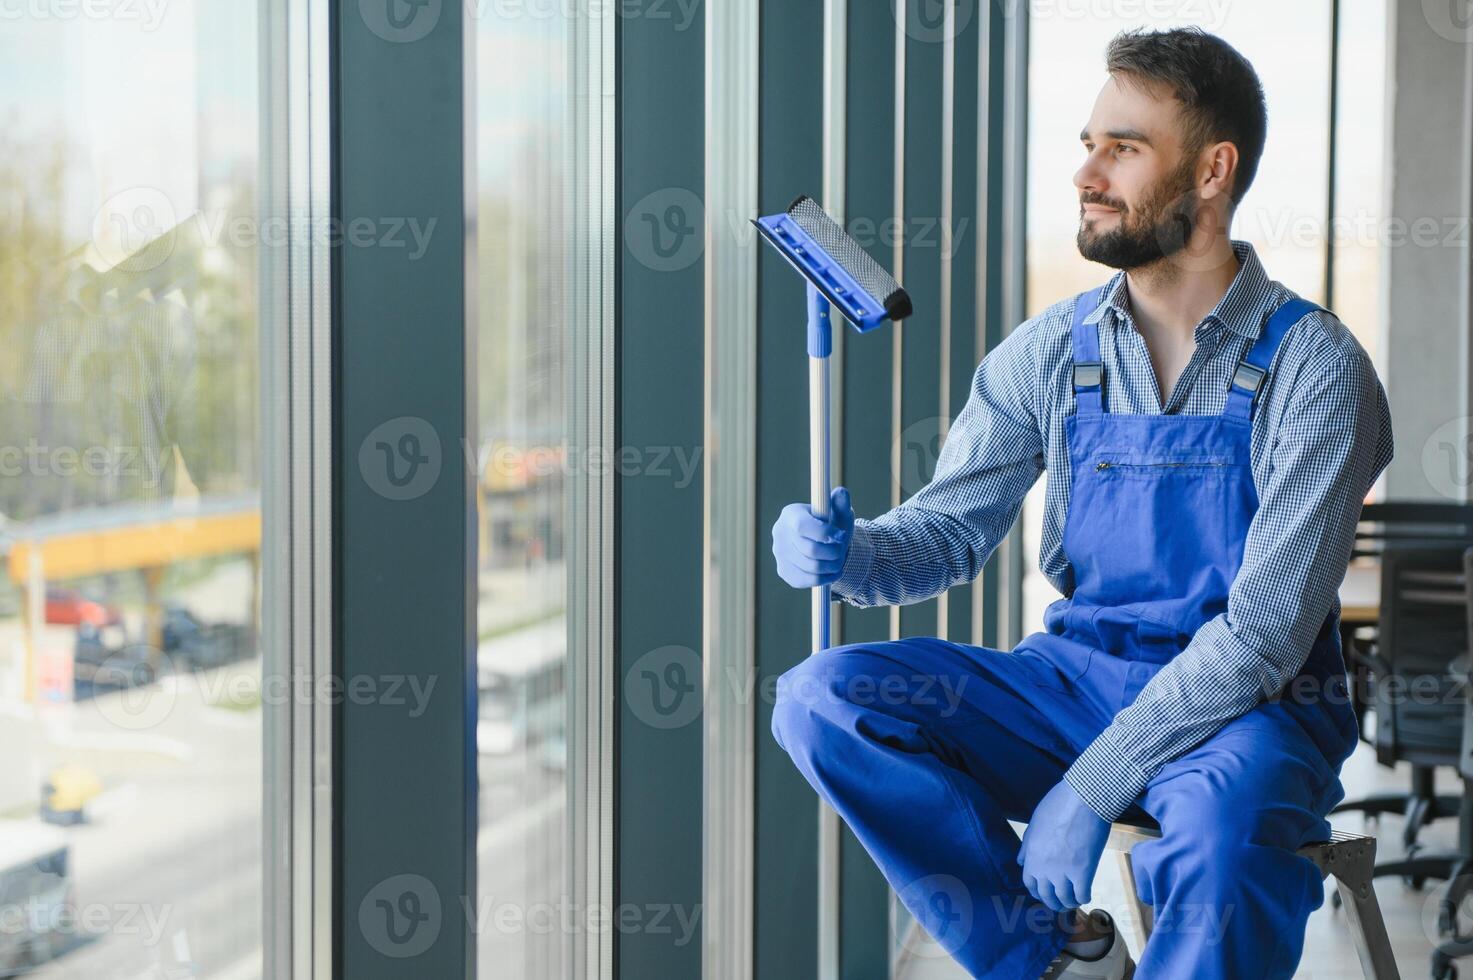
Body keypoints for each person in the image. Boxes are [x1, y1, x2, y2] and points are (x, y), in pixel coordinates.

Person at [769, 26, 1393, 980]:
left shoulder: (1312, 367)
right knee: (823, 699)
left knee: (1223, 844)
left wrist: (1088, 788)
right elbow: (946, 535)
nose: (1087, 173)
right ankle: (1049, 956)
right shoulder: (1049, 351)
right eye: (1087, 143)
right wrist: (845, 554)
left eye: (1123, 147)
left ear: (1211, 170)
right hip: (1073, 680)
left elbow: (1263, 637)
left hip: (1248, 711)